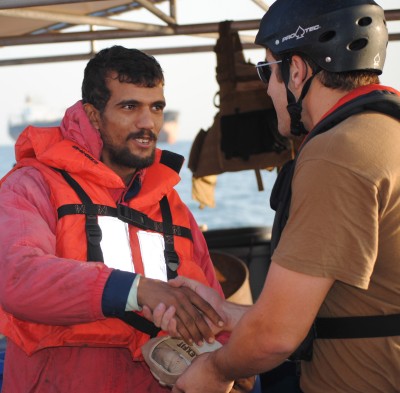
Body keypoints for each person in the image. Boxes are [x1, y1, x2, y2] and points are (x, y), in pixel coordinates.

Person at [147, 1, 400, 392]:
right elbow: (358, 304)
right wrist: (227, 313)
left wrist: (213, 371)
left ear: (296, 71)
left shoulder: (336, 153)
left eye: (266, 71)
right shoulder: (386, 131)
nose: (266, 87)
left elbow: (276, 336)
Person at [0, 45, 230, 393]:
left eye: (156, 108)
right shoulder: (33, 184)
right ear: (93, 116)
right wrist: (137, 290)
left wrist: (233, 364)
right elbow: (17, 276)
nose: (147, 123)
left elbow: (211, 304)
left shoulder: (171, 204)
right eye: (129, 107)